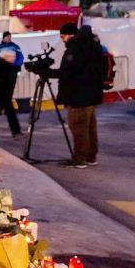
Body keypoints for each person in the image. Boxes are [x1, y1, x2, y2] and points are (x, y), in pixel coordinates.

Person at [50, 22, 105, 168]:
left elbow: (68, 72)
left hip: (78, 96)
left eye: (63, 36)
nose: (62, 40)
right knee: (90, 129)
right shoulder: (94, 46)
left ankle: (79, 159)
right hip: (93, 95)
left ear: (71, 35)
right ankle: (91, 157)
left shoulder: (75, 48)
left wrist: (48, 73)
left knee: (79, 128)